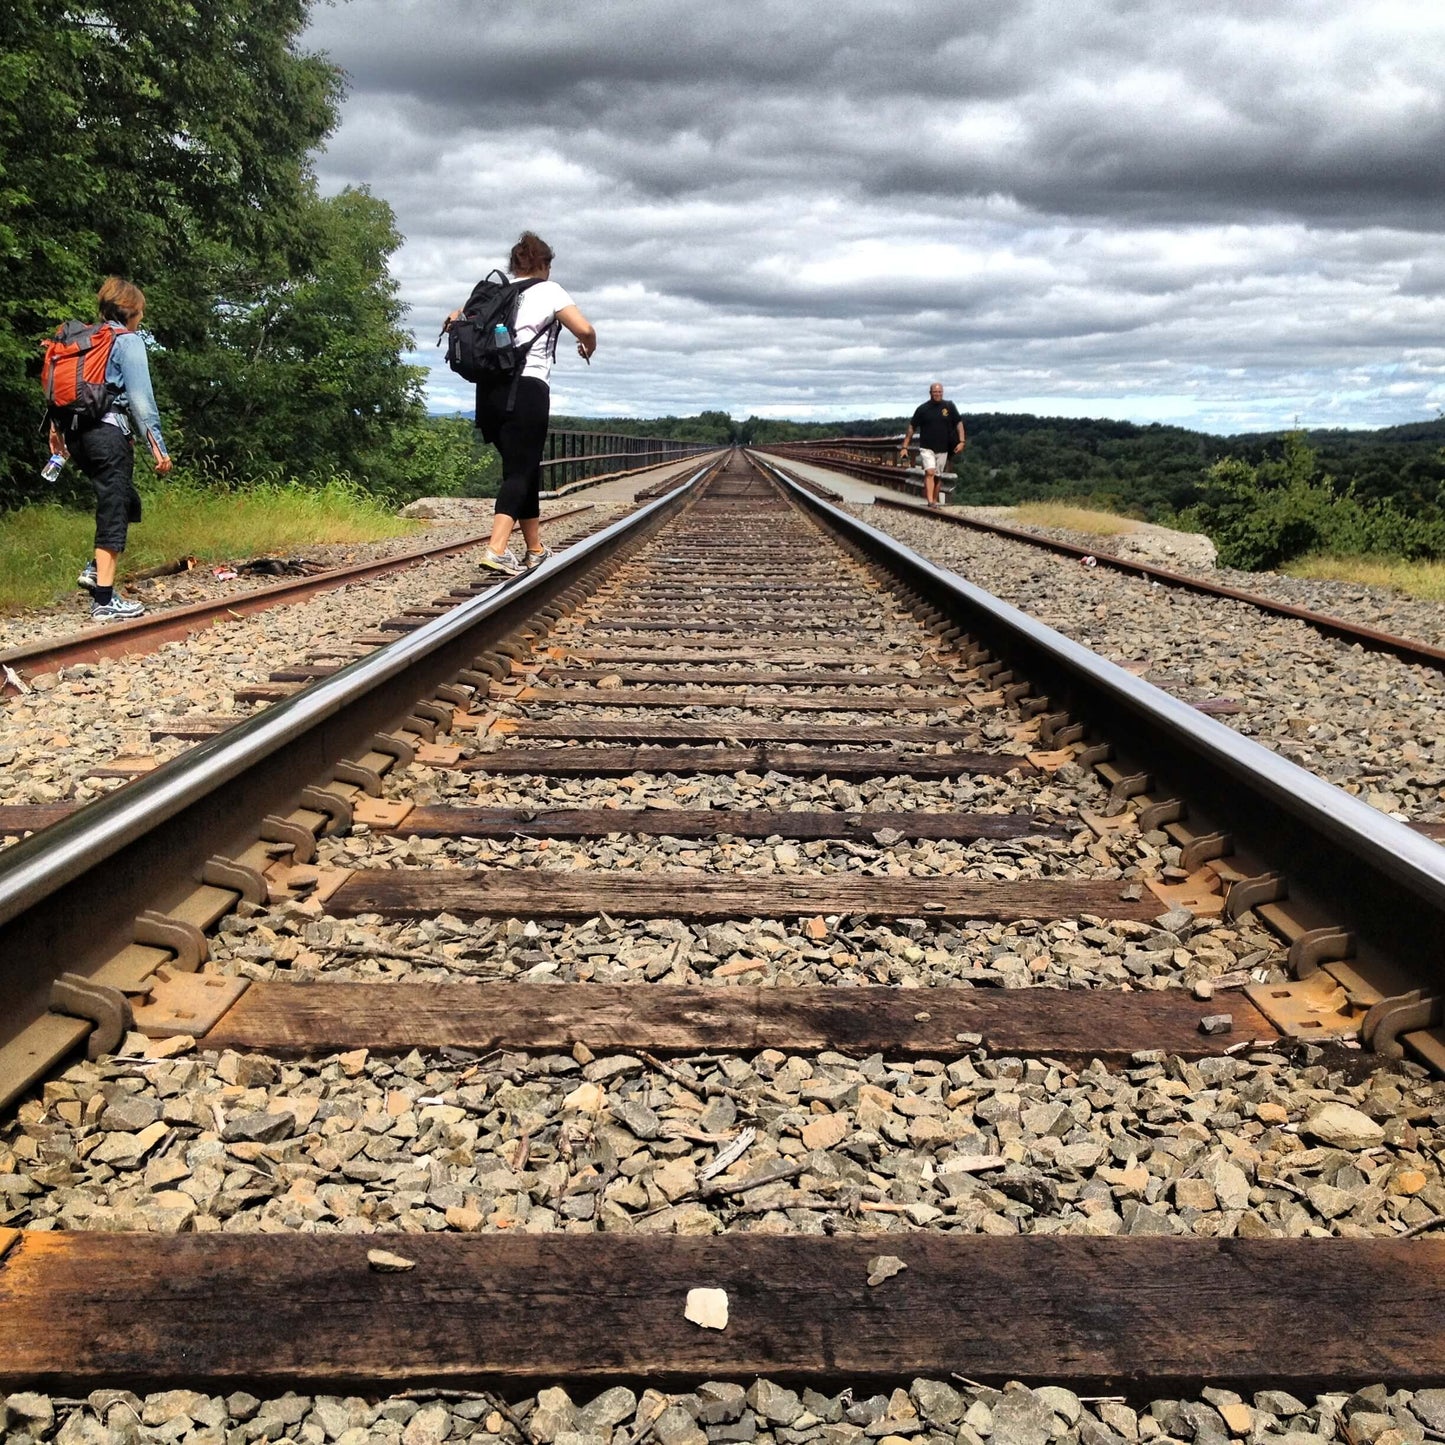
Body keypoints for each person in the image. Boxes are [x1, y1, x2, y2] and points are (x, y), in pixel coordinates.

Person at [448, 232, 597, 576]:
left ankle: (535, 549)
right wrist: (590, 344)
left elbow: (457, 319)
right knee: (520, 470)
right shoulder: (550, 290)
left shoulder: (496, 293)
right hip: (527, 389)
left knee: (523, 465)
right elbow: (584, 329)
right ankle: (496, 550)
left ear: (514, 264)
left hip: (488, 392)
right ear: (543, 264)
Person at [52, 277, 172, 622]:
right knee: (114, 507)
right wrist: (158, 449)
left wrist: (56, 432)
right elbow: (141, 401)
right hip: (108, 434)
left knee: (124, 498)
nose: (142, 318)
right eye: (141, 312)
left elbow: (64, 387)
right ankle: (104, 600)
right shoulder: (127, 341)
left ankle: (94, 568)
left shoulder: (86, 340)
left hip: (78, 435)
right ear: (132, 311)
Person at [900, 382, 965, 508]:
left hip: (943, 447)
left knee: (937, 476)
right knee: (930, 472)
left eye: (940, 392)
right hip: (926, 447)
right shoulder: (922, 409)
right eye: (935, 392)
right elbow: (912, 427)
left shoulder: (949, 406)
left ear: (943, 392)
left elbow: (959, 423)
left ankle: (934, 500)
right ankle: (930, 501)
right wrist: (905, 446)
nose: (937, 394)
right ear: (930, 393)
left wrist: (962, 441)